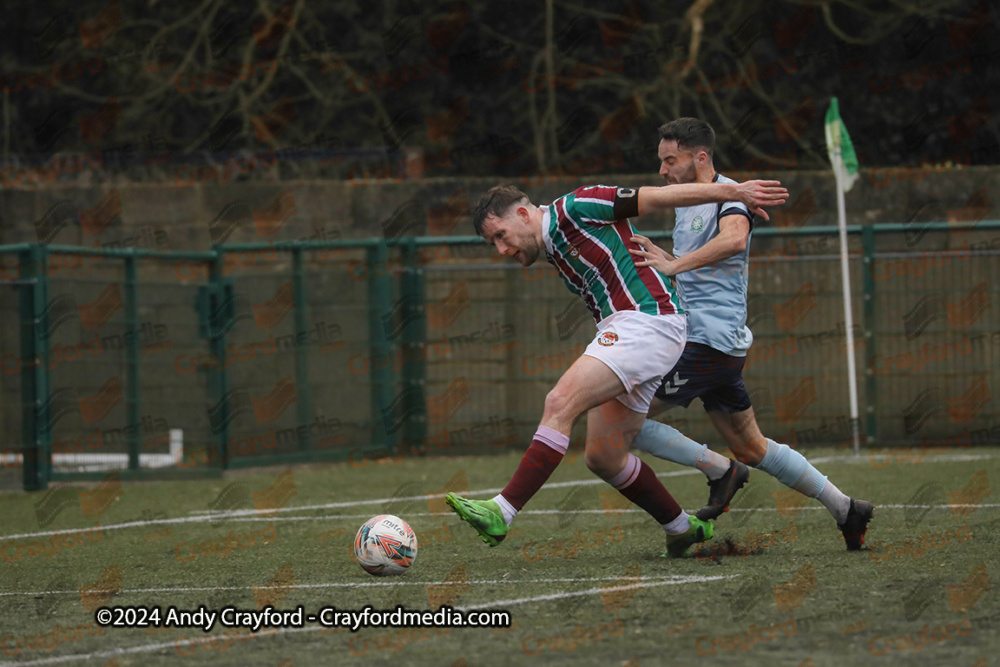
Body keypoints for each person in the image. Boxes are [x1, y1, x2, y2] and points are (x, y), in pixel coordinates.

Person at [445, 176, 788, 557]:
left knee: (560, 402)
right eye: (493, 243)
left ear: (524, 214)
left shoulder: (574, 208)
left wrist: (735, 192)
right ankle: (681, 527)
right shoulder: (554, 246)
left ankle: (502, 511)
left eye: (501, 236)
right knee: (604, 456)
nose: (501, 249)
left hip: (648, 321)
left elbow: (657, 197)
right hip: (637, 327)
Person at [627, 117, 874, 550]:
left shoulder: (732, 199)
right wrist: (665, 255)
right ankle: (846, 509)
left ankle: (720, 472)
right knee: (753, 448)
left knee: (625, 420)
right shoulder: (690, 202)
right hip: (715, 346)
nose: (663, 172)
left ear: (699, 157)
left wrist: (672, 265)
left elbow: (734, 241)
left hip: (707, 343)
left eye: (670, 161)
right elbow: (702, 267)